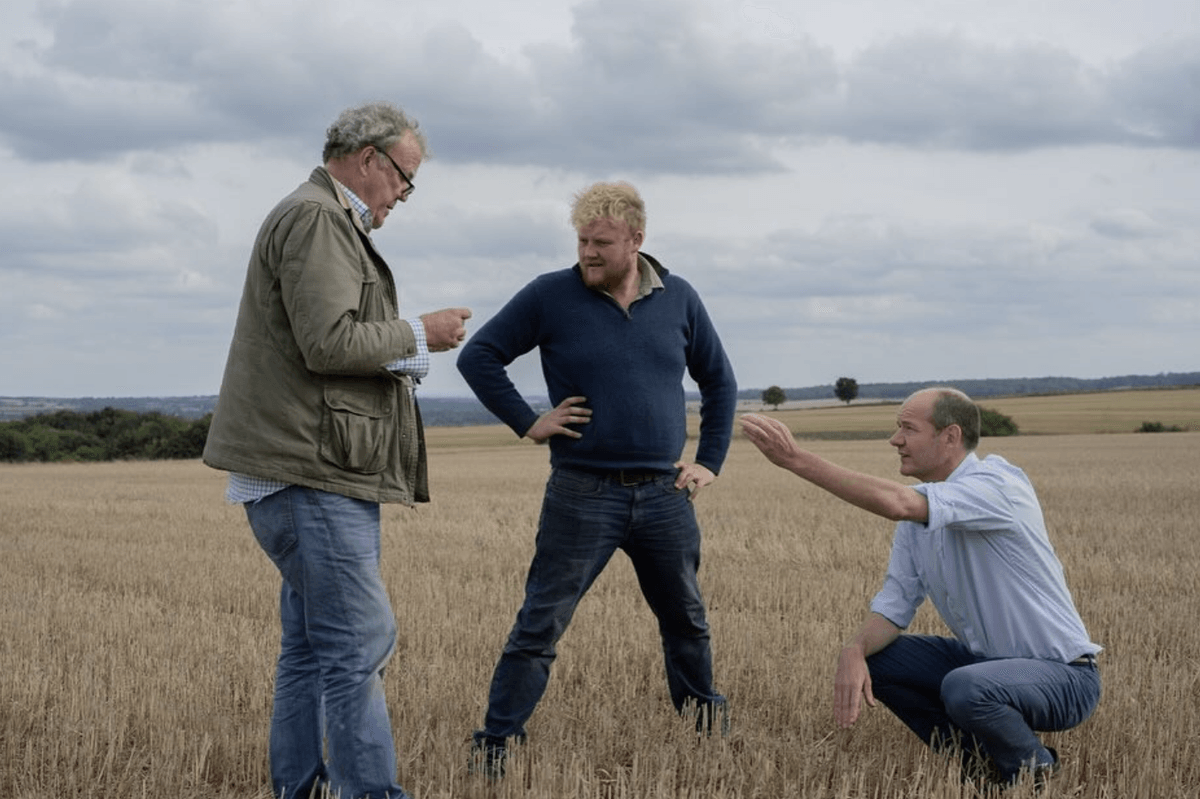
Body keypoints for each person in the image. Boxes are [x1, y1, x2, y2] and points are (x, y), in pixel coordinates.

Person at [203, 102, 471, 799]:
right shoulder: (319, 217)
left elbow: (320, 341)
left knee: (311, 649)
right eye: (405, 180)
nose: (404, 197)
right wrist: (418, 332)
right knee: (358, 647)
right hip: (314, 473)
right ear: (369, 159)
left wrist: (401, 355)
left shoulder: (320, 215)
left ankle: (301, 788)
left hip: (301, 469)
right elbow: (328, 342)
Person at [456, 181, 738, 776]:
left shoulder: (680, 298)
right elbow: (478, 356)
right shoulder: (549, 296)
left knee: (685, 618)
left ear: (636, 240)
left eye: (601, 243)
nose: (588, 252)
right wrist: (529, 423)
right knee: (541, 622)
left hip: (665, 494)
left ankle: (704, 725)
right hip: (581, 493)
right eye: (582, 240)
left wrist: (709, 460)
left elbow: (719, 381)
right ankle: (496, 742)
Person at [741, 388, 1101, 789]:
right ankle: (980, 765)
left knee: (966, 687)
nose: (895, 440)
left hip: (1063, 678)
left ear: (950, 436)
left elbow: (898, 502)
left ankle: (1033, 769)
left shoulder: (999, 486)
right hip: (986, 665)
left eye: (908, 429)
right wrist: (854, 650)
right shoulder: (919, 519)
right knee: (880, 661)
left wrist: (796, 460)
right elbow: (894, 607)